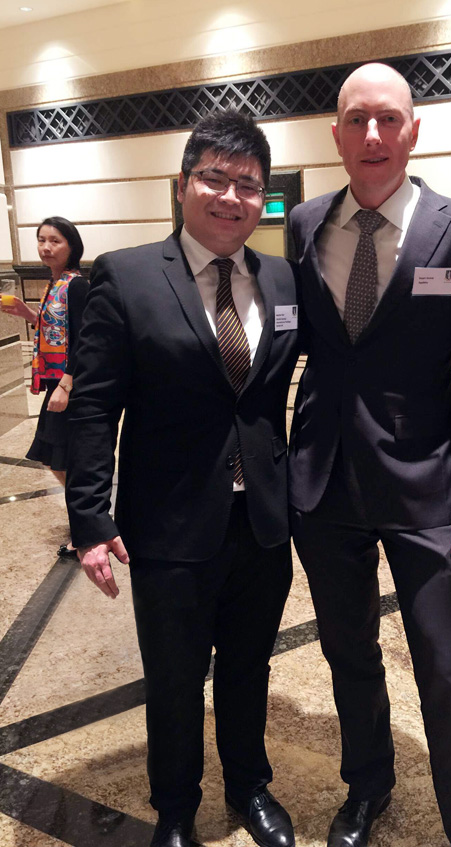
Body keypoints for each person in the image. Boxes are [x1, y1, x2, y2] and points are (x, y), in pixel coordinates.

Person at [288, 63, 451, 847]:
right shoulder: (305, 222)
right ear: (337, 134)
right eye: (357, 119)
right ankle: (368, 784)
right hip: (324, 482)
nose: (373, 134)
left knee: (445, 663)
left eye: (388, 119)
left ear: (414, 131)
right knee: (347, 649)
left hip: (429, 486)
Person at [65, 111, 300, 847]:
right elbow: (94, 406)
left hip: (262, 519)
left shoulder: (281, 276)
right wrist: (90, 519)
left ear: (263, 198)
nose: (232, 197)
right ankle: (175, 806)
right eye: (215, 178)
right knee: (173, 675)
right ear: (183, 184)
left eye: (249, 185)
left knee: (249, 665)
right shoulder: (127, 275)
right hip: (168, 523)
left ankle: (249, 784)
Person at [1, 216, 88, 556]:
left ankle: (88, 526)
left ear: (71, 246)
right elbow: (57, 330)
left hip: (68, 384)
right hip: (57, 382)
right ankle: (89, 518)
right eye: (41, 240)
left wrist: (67, 384)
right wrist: (28, 314)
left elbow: (84, 339)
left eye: (55, 241)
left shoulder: (76, 285)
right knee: (56, 457)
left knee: (64, 459)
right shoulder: (56, 283)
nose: (46, 247)